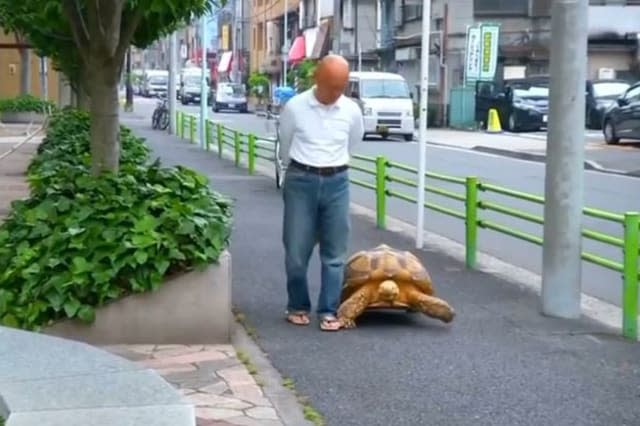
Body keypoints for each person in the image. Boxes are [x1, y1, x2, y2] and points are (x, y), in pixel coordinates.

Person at [277, 54, 365, 331]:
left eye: (341, 87)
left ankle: (329, 310)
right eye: (330, 86)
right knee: (296, 250)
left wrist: (333, 165)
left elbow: (353, 142)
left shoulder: (351, 110)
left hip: (337, 179)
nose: (335, 93)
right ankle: (297, 305)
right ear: (316, 78)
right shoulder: (295, 107)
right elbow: (285, 143)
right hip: (301, 178)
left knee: (335, 251)